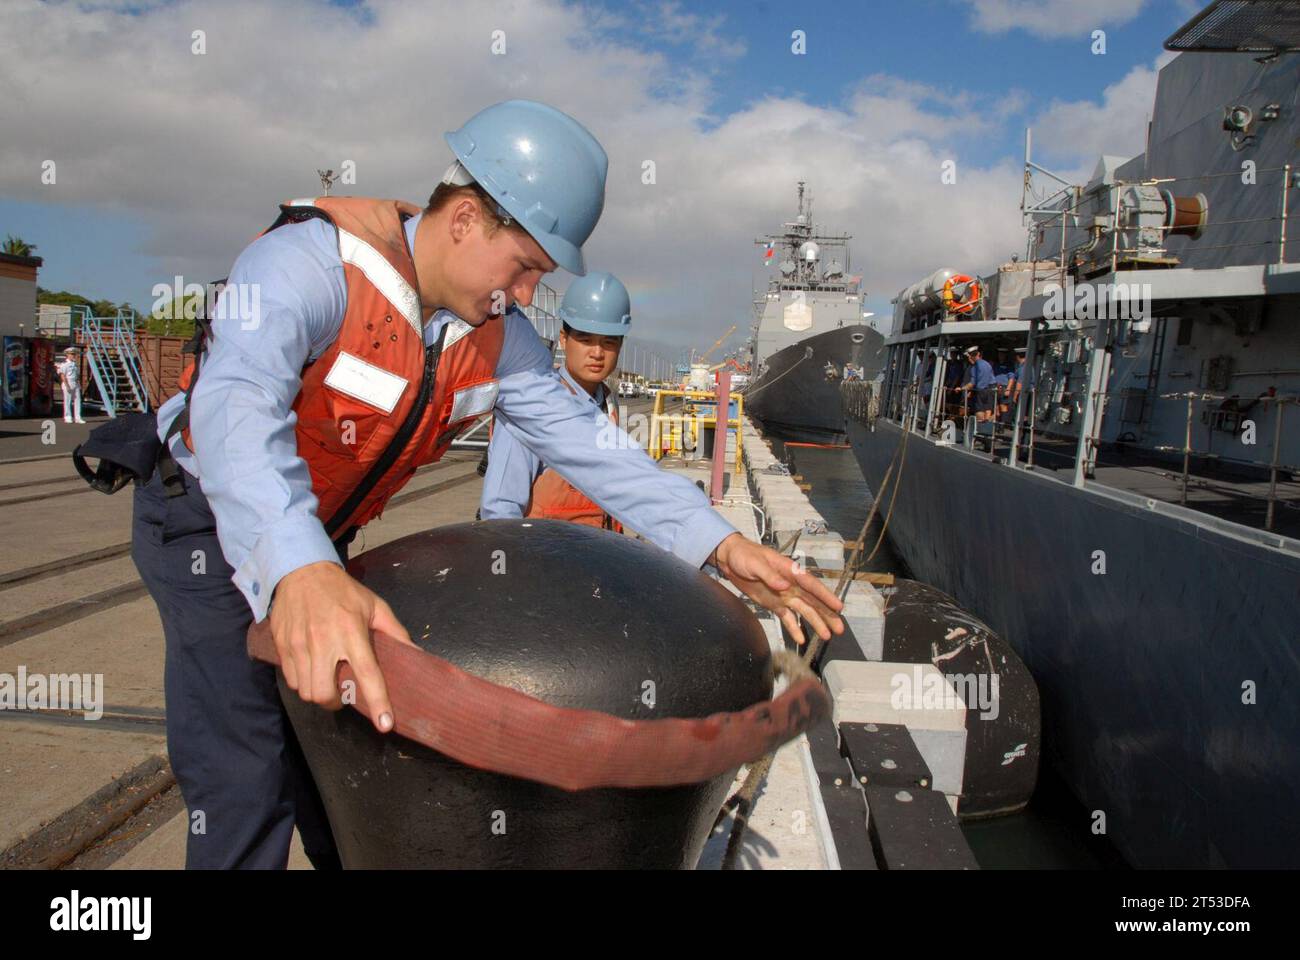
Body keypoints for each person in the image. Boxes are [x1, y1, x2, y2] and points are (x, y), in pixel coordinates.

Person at [131, 99, 844, 870]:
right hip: (207, 520)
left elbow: (593, 446)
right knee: (245, 776)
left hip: (319, 540)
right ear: (466, 218)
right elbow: (237, 405)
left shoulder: (496, 339)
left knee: (346, 763)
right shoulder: (310, 266)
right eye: (528, 266)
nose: (533, 294)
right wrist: (298, 569)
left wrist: (720, 545)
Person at [480, 271, 626, 528]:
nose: (597, 353)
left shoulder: (608, 407)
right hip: (539, 563)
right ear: (563, 339)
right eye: (585, 339)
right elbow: (500, 510)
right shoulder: (531, 405)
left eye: (608, 342)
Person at [959, 345, 995, 423]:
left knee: (979, 410)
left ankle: (980, 428)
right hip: (990, 389)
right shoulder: (986, 364)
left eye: (969, 356)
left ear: (970, 356)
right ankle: (987, 429)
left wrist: (961, 388)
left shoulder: (975, 367)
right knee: (988, 410)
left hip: (981, 391)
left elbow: (972, 383)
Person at [56, 347, 85, 424]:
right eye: (72, 354)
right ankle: (67, 417)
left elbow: (77, 375)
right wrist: (67, 385)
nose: (73, 355)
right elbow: (63, 375)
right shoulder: (64, 364)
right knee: (67, 400)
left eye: (74, 354)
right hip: (68, 382)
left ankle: (78, 417)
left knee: (77, 400)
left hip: (75, 383)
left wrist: (79, 384)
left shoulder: (75, 364)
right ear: (67, 355)